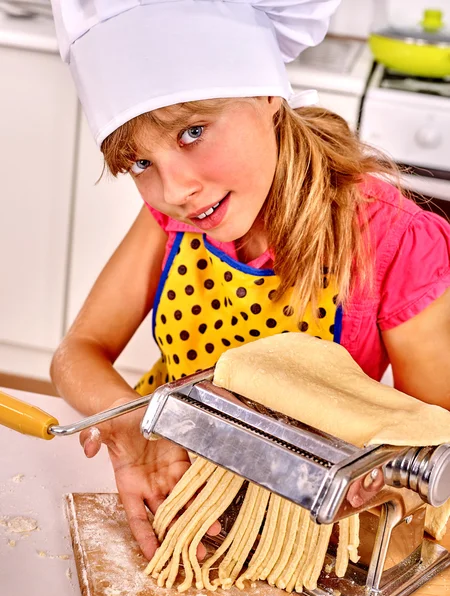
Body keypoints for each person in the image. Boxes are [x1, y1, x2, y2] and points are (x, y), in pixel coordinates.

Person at [49, 0, 450, 563]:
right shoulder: (173, 219)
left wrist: (372, 486)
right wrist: (132, 423)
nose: (175, 190)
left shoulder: (394, 241)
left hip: (302, 520)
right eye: (140, 164)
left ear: (267, 95)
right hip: (173, 479)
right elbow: (77, 352)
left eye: (192, 132)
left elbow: (429, 443)